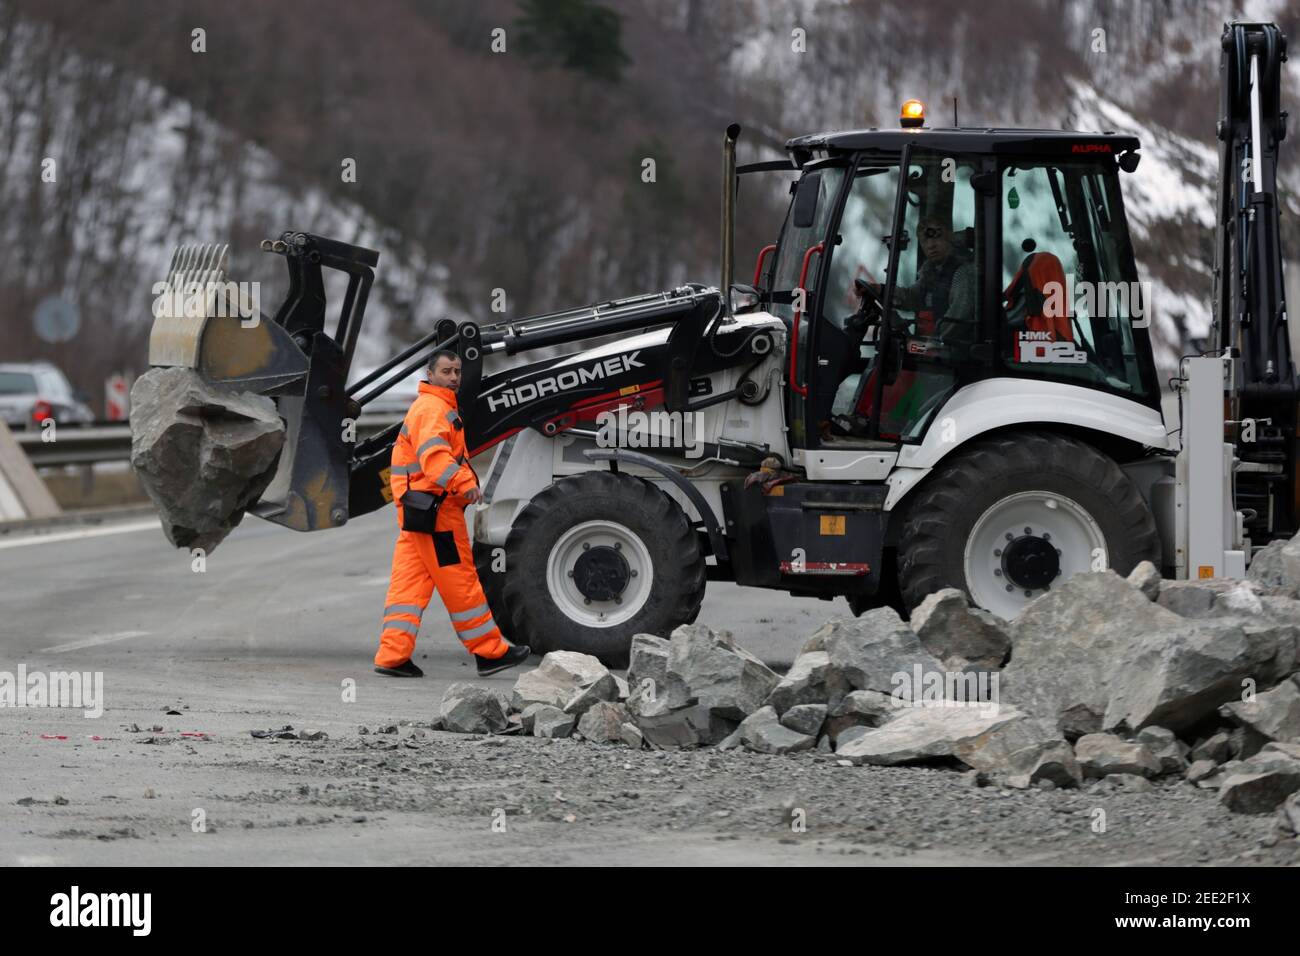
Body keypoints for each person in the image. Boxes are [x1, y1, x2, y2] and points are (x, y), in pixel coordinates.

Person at [373, 349, 530, 678]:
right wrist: (464, 484)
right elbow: (435, 460)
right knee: (461, 582)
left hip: (419, 513)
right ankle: (490, 653)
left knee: (408, 586)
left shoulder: (433, 406)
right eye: (447, 371)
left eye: (457, 371)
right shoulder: (433, 409)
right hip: (437, 513)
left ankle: (392, 655)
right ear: (430, 375)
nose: (454, 377)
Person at [840, 216, 977, 434]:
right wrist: (882, 291)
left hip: (958, 348)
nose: (931, 245)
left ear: (949, 238)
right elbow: (914, 297)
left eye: (937, 238)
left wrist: (934, 342)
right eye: (925, 240)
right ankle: (866, 420)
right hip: (941, 343)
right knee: (887, 355)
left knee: (899, 362)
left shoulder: (963, 271)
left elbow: (960, 313)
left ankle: (885, 426)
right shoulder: (932, 269)